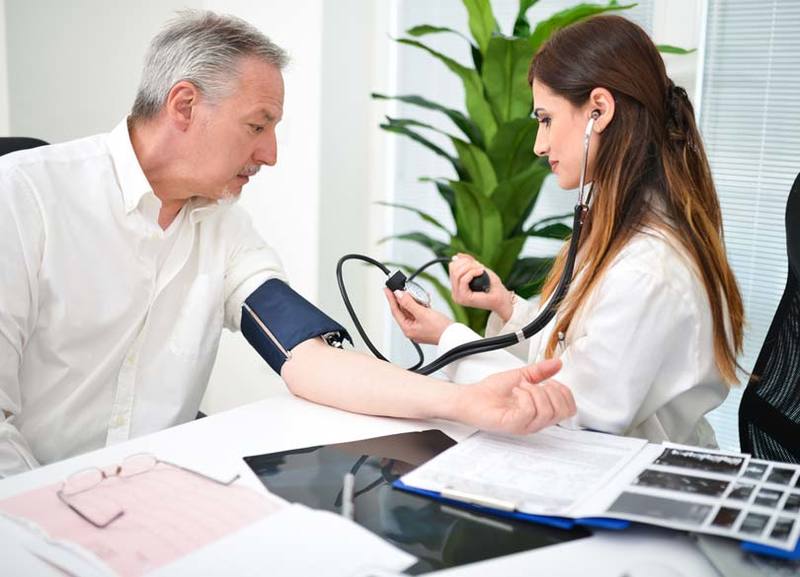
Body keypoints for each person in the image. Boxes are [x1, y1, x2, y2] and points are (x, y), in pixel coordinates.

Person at [0, 11, 576, 478]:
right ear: (184, 106)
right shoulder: (23, 198)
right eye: (258, 126)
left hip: (156, 500)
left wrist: (466, 402)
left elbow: (308, 357)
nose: (270, 154)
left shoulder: (224, 227)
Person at [386, 15, 744, 448]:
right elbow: (575, 361)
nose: (539, 145)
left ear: (599, 111)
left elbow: (568, 411)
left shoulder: (648, 269)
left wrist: (448, 337)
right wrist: (507, 306)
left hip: (635, 476)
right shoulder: (624, 233)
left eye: (546, 119)